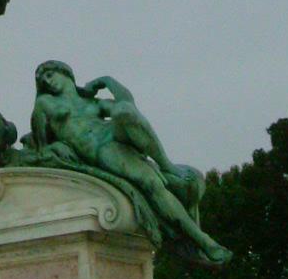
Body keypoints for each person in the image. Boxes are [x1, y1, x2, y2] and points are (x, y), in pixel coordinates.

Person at [26, 60, 231, 264]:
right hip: (101, 150)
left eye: (50, 75)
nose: (47, 82)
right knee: (152, 183)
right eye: (43, 80)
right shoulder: (45, 103)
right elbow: (42, 145)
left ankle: (166, 165)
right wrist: (55, 146)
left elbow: (128, 105)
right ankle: (203, 241)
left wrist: (107, 80)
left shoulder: (92, 103)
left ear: (65, 73)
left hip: (112, 134)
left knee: (124, 110)